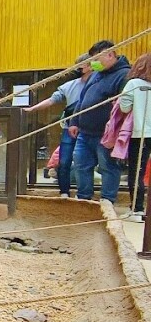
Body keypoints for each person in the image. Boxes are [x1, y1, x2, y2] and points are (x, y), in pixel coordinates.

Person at [68, 40, 132, 204]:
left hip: (106, 134)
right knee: (81, 165)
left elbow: (123, 107)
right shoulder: (96, 73)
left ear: (110, 55)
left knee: (108, 168)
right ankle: (84, 198)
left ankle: (107, 200)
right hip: (84, 131)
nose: (93, 63)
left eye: (97, 59)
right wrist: (74, 120)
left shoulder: (125, 75)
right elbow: (82, 99)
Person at [23, 54, 92, 197]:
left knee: (85, 163)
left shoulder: (100, 84)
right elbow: (52, 100)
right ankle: (64, 192)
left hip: (90, 128)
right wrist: (33, 109)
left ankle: (85, 194)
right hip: (69, 127)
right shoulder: (70, 86)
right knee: (64, 161)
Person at [119, 53, 151, 221]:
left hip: (142, 134)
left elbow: (124, 107)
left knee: (136, 171)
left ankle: (137, 210)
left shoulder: (134, 84)